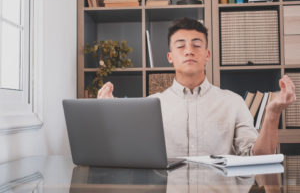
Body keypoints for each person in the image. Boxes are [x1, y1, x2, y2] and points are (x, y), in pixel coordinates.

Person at [97, 17, 296, 158]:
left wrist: (273, 113)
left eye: (196, 45)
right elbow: (130, 153)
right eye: (181, 46)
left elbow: (259, 155)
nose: (189, 51)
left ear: (207, 55)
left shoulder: (232, 102)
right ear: (170, 58)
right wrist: (112, 115)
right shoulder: (151, 105)